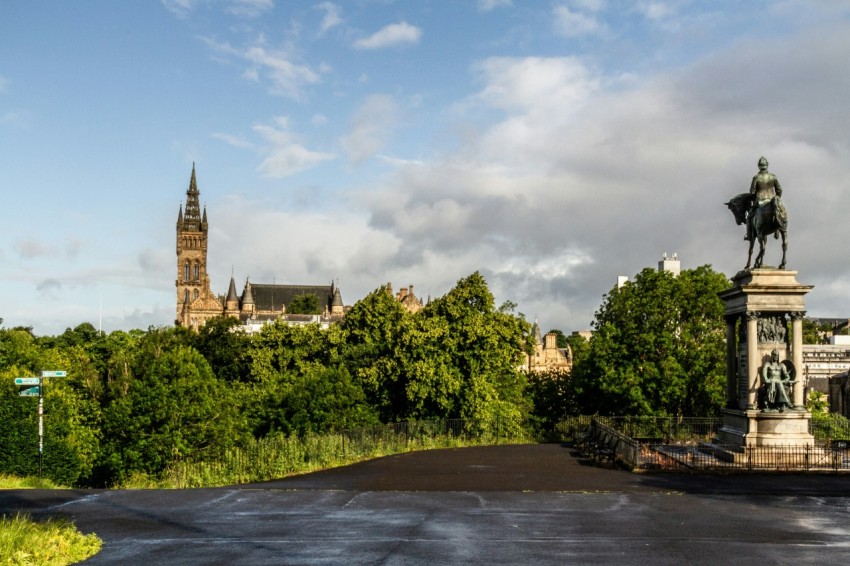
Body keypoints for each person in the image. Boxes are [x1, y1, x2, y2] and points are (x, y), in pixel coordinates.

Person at [747, 156, 787, 241]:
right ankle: (779, 227)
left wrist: (752, 197)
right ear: (767, 165)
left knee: (749, 216)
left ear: (759, 166)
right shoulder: (773, 177)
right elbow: (779, 190)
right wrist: (777, 197)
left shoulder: (756, 178)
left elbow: (752, 192)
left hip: (761, 201)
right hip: (772, 201)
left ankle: (748, 235)